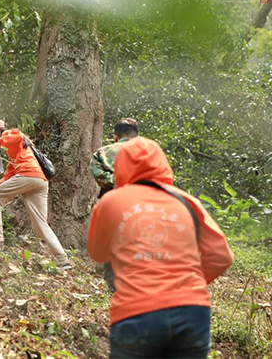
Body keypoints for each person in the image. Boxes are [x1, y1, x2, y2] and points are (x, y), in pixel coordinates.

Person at [87, 137, 233, 359]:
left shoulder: (111, 201)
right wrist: (187, 283)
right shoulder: (186, 201)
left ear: (120, 166)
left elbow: (98, 253)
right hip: (193, 310)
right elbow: (222, 256)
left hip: (136, 310)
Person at [0, 119, 71, 270]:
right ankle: (63, 260)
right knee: (39, 225)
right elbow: (7, 178)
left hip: (29, 176)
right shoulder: (15, 153)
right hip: (39, 181)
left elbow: (15, 136)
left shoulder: (14, 134)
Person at [89, 117, 139, 292]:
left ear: (115, 137)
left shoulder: (103, 152)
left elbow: (97, 173)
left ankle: (116, 290)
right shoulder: (146, 152)